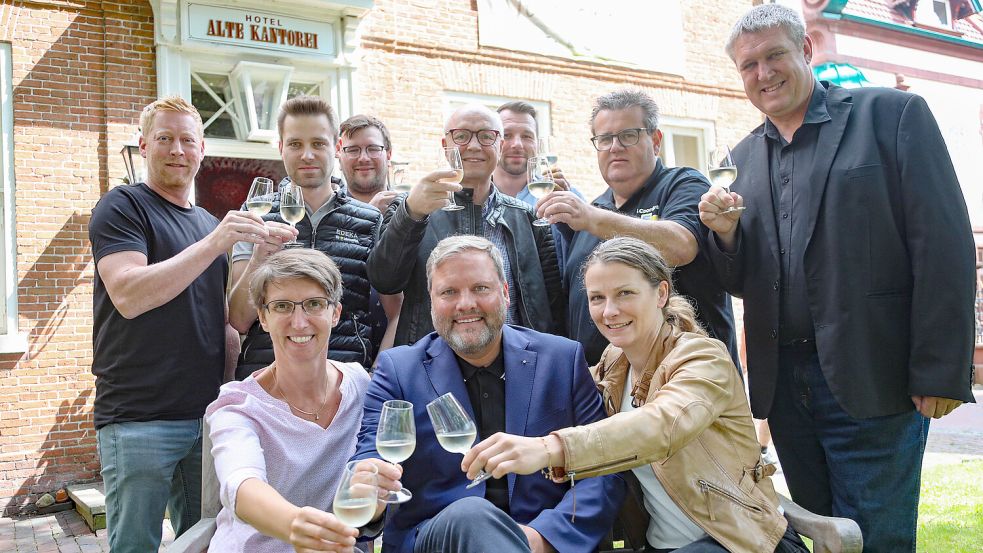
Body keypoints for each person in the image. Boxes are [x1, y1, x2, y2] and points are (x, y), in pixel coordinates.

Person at [698, 4, 976, 551]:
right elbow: (741, 280)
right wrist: (726, 235)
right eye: (748, 65)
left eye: (774, 55)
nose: (763, 74)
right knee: (819, 536)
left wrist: (941, 369)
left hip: (876, 375)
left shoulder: (892, 115)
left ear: (806, 50)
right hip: (786, 390)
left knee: (876, 538)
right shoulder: (742, 158)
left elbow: (943, 245)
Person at [464, 237, 808, 553]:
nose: (609, 311)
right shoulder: (615, 362)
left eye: (625, 293)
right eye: (597, 298)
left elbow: (661, 426)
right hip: (660, 545)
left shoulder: (703, 358)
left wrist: (547, 449)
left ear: (661, 293)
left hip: (740, 541)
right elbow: (551, 392)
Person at [354, 235, 624, 553]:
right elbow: (370, 456)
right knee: (471, 514)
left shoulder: (561, 359)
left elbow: (604, 467)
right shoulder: (398, 369)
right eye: (449, 292)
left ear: (505, 293)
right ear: (432, 300)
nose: (465, 303)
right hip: (435, 539)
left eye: (480, 288)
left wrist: (545, 537)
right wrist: (369, 487)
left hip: (537, 539)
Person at [88, 96, 269, 551]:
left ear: (202, 148)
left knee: (203, 539)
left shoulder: (206, 223)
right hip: (138, 417)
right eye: (164, 139)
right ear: (143, 144)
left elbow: (227, 316)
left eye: (187, 139)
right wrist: (216, 242)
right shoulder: (123, 206)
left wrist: (262, 255)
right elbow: (129, 295)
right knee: (136, 546)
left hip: (203, 413)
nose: (176, 149)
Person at [535, 90, 738, 366]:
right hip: (604, 390)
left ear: (656, 141)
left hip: (685, 380)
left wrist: (592, 218)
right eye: (605, 139)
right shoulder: (593, 210)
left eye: (628, 135)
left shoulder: (683, 184)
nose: (615, 147)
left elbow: (681, 246)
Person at [207, 249, 370, 551]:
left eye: (314, 305)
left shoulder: (359, 384)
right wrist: (296, 526)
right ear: (263, 318)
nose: (299, 322)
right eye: (282, 306)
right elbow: (241, 484)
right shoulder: (238, 405)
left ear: (335, 313)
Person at [367, 104, 564, 346]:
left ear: (500, 146)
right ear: (445, 145)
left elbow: (554, 305)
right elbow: (385, 280)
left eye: (486, 136)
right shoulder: (410, 209)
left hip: (517, 363)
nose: (473, 146)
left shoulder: (527, 217)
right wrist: (411, 214)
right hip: (434, 362)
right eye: (461, 136)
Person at [229, 96, 384, 377]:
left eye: (318, 143)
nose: (307, 155)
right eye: (295, 144)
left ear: (336, 148)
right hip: (266, 380)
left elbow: (393, 311)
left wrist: (377, 373)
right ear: (281, 148)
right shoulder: (255, 213)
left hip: (345, 383)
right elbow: (239, 319)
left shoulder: (370, 220)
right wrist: (258, 258)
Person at [336, 114, 405, 356]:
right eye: (352, 149)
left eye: (373, 148)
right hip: (341, 355)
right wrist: (368, 216)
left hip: (404, 353)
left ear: (388, 153)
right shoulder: (328, 215)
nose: (363, 158)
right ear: (339, 153)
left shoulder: (413, 213)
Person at [494, 100, 583, 273]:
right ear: (494, 141)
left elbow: (587, 255)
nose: (517, 144)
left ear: (537, 143)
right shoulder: (477, 197)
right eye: (507, 135)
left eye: (527, 136)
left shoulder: (566, 195)